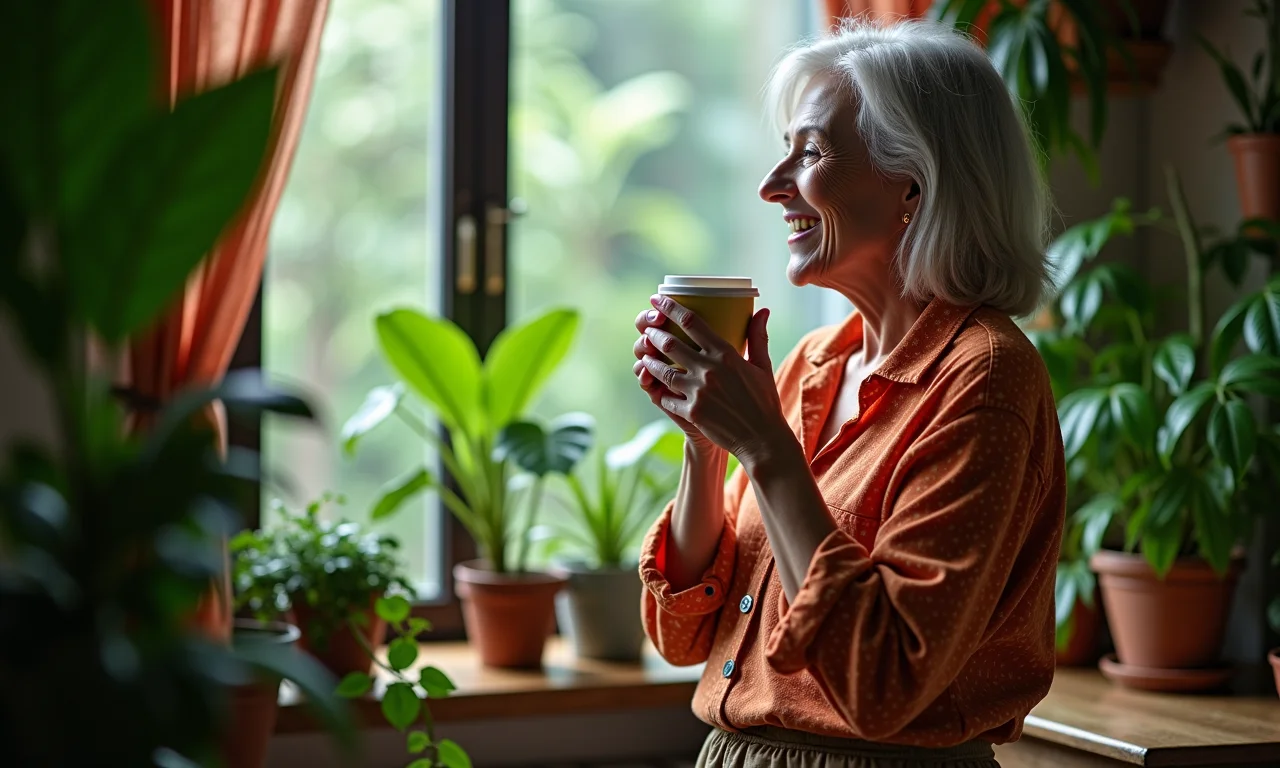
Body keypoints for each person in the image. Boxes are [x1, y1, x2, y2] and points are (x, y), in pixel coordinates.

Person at [631, 17, 1066, 768]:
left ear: (913, 184)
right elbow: (683, 637)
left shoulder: (985, 378)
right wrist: (707, 449)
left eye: (810, 152)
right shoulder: (813, 362)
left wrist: (767, 450)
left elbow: (884, 685)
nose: (773, 186)